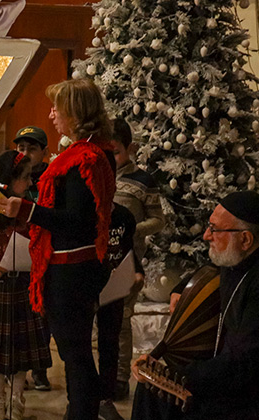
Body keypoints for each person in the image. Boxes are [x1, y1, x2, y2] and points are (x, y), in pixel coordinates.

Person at [0, 79, 116, 420]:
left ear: (74, 113)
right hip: (72, 267)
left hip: (71, 271)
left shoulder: (86, 158)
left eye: (56, 108)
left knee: (75, 355)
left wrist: (26, 210)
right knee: (74, 354)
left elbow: (77, 220)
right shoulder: (86, 152)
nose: (51, 114)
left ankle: (81, 413)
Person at [131, 191, 259, 420]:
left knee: (158, 396)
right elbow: (211, 269)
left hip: (245, 393)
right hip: (226, 372)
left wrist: (179, 375)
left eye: (215, 229)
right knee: (149, 389)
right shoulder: (238, 259)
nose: (206, 235)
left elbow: (245, 362)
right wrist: (179, 288)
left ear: (246, 239)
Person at [0, 150, 52, 420]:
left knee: (20, 349)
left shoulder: (30, 207)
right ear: (9, 179)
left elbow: (40, 242)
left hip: (23, 284)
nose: (29, 183)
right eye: (25, 177)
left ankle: (16, 399)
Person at [109, 119, 164, 400]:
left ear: (129, 148)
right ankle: (104, 375)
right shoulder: (97, 175)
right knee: (101, 321)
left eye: (116, 152)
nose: (111, 158)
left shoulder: (143, 180)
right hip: (100, 258)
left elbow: (158, 219)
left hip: (130, 260)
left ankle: (119, 378)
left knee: (120, 319)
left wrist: (133, 229)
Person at [11, 125, 52, 391]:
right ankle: (17, 368)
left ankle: (40, 368)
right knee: (18, 316)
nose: (25, 153)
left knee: (42, 316)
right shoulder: (12, 177)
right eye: (21, 148)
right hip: (16, 255)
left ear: (44, 152)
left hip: (43, 254)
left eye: (32, 149)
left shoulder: (52, 177)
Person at [96, 203, 142, 420]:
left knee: (110, 342)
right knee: (81, 346)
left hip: (115, 284)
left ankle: (105, 398)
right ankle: (80, 400)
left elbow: (128, 247)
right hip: (87, 283)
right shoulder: (84, 211)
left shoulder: (124, 215)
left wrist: (137, 270)